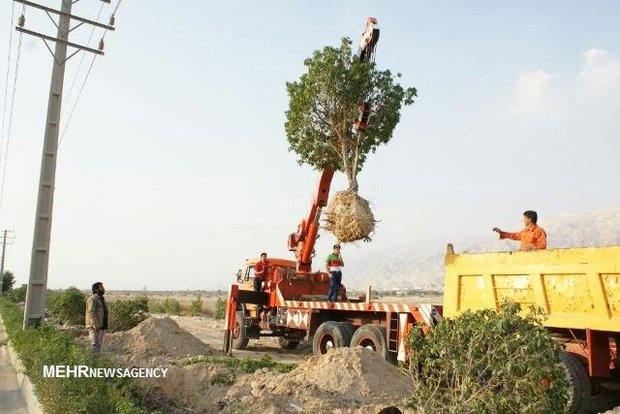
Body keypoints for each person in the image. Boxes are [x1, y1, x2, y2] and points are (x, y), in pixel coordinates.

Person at [85, 282, 108, 354]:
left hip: (101, 326)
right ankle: (93, 362)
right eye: (101, 287)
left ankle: (97, 361)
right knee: (95, 344)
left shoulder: (101, 299)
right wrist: (95, 324)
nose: (103, 289)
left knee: (99, 345)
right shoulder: (92, 299)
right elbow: (91, 312)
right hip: (94, 327)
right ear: (96, 289)